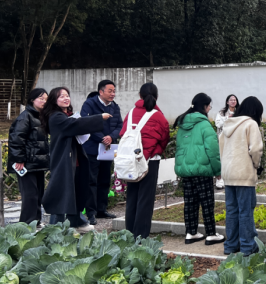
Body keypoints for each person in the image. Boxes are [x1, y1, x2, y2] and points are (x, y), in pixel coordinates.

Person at [41, 87, 110, 233]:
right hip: (63, 161)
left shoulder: (66, 115)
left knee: (76, 192)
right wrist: (99, 117)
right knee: (61, 193)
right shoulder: (56, 117)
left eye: (67, 95)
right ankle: (55, 228)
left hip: (75, 160)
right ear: (54, 100)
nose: (66, 98)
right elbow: (76, 125)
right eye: (61, 96)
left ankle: (77, 221)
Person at [119, 83, 170, 239]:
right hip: (150, 161)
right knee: (145, 200)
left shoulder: (131, 113)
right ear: (157, 96)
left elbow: (122, 133)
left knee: (132, 197)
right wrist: (156, 150)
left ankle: (129, 234)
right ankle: (141, 236)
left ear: (140, 95)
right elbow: (164, 138)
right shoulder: (158, 116)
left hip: (131, 160)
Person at [174, 93, 224, 245]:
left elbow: (179, 147)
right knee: (207, 202)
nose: (209, 109)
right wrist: (217, 171)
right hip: (202, 169)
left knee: (190, 202)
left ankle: (191, 232)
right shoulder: (204, 124)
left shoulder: (182, 123)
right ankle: (211, 234)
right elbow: (213, 150)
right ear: (204, 106)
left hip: (185, 170)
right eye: (209, 106)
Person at [220, 96, 264, 256]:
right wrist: (256, 165)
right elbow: (256, 149)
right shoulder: (251, 124)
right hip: (244, 173)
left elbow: (221, 148)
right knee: (246, 210)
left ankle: (231, 245)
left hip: (228, 173)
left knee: (231, 210)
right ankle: (247, 246)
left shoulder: (228, 124)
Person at [80, 80, 122, 224]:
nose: (113, 94)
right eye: (110, 91)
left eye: (114, 91)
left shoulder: (114, 106)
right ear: (101, 91)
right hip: (92, 148)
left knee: (104, 180)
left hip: (108, 149)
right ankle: (90, 212)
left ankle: (101, 209)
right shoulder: (89, 104)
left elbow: (120, 125)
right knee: (91, 180)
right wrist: (102, 138)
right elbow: (86, 123)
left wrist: (111, 137)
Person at [7, 88, 49, 225]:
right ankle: (26, 224)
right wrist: (19, 159)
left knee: (38, 194)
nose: (44, 101)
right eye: (41, 98)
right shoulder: (25, 117)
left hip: (38, 162)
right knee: (30, 195)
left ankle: (35, 222)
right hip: (26, 163)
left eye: (46, 99)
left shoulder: (41, 117)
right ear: (32, 100)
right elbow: (16, 139)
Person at [215, 94, 240, 189]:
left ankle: (232, 179)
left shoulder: (239, 112)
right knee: (222, 158)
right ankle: (220, 180)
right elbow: (218, 124)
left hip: (235, 139)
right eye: (231, 100)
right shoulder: (222, 112)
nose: (233, 101)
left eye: (235, 100)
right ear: (227, 102)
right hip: (224, 138)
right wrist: (227, 118)